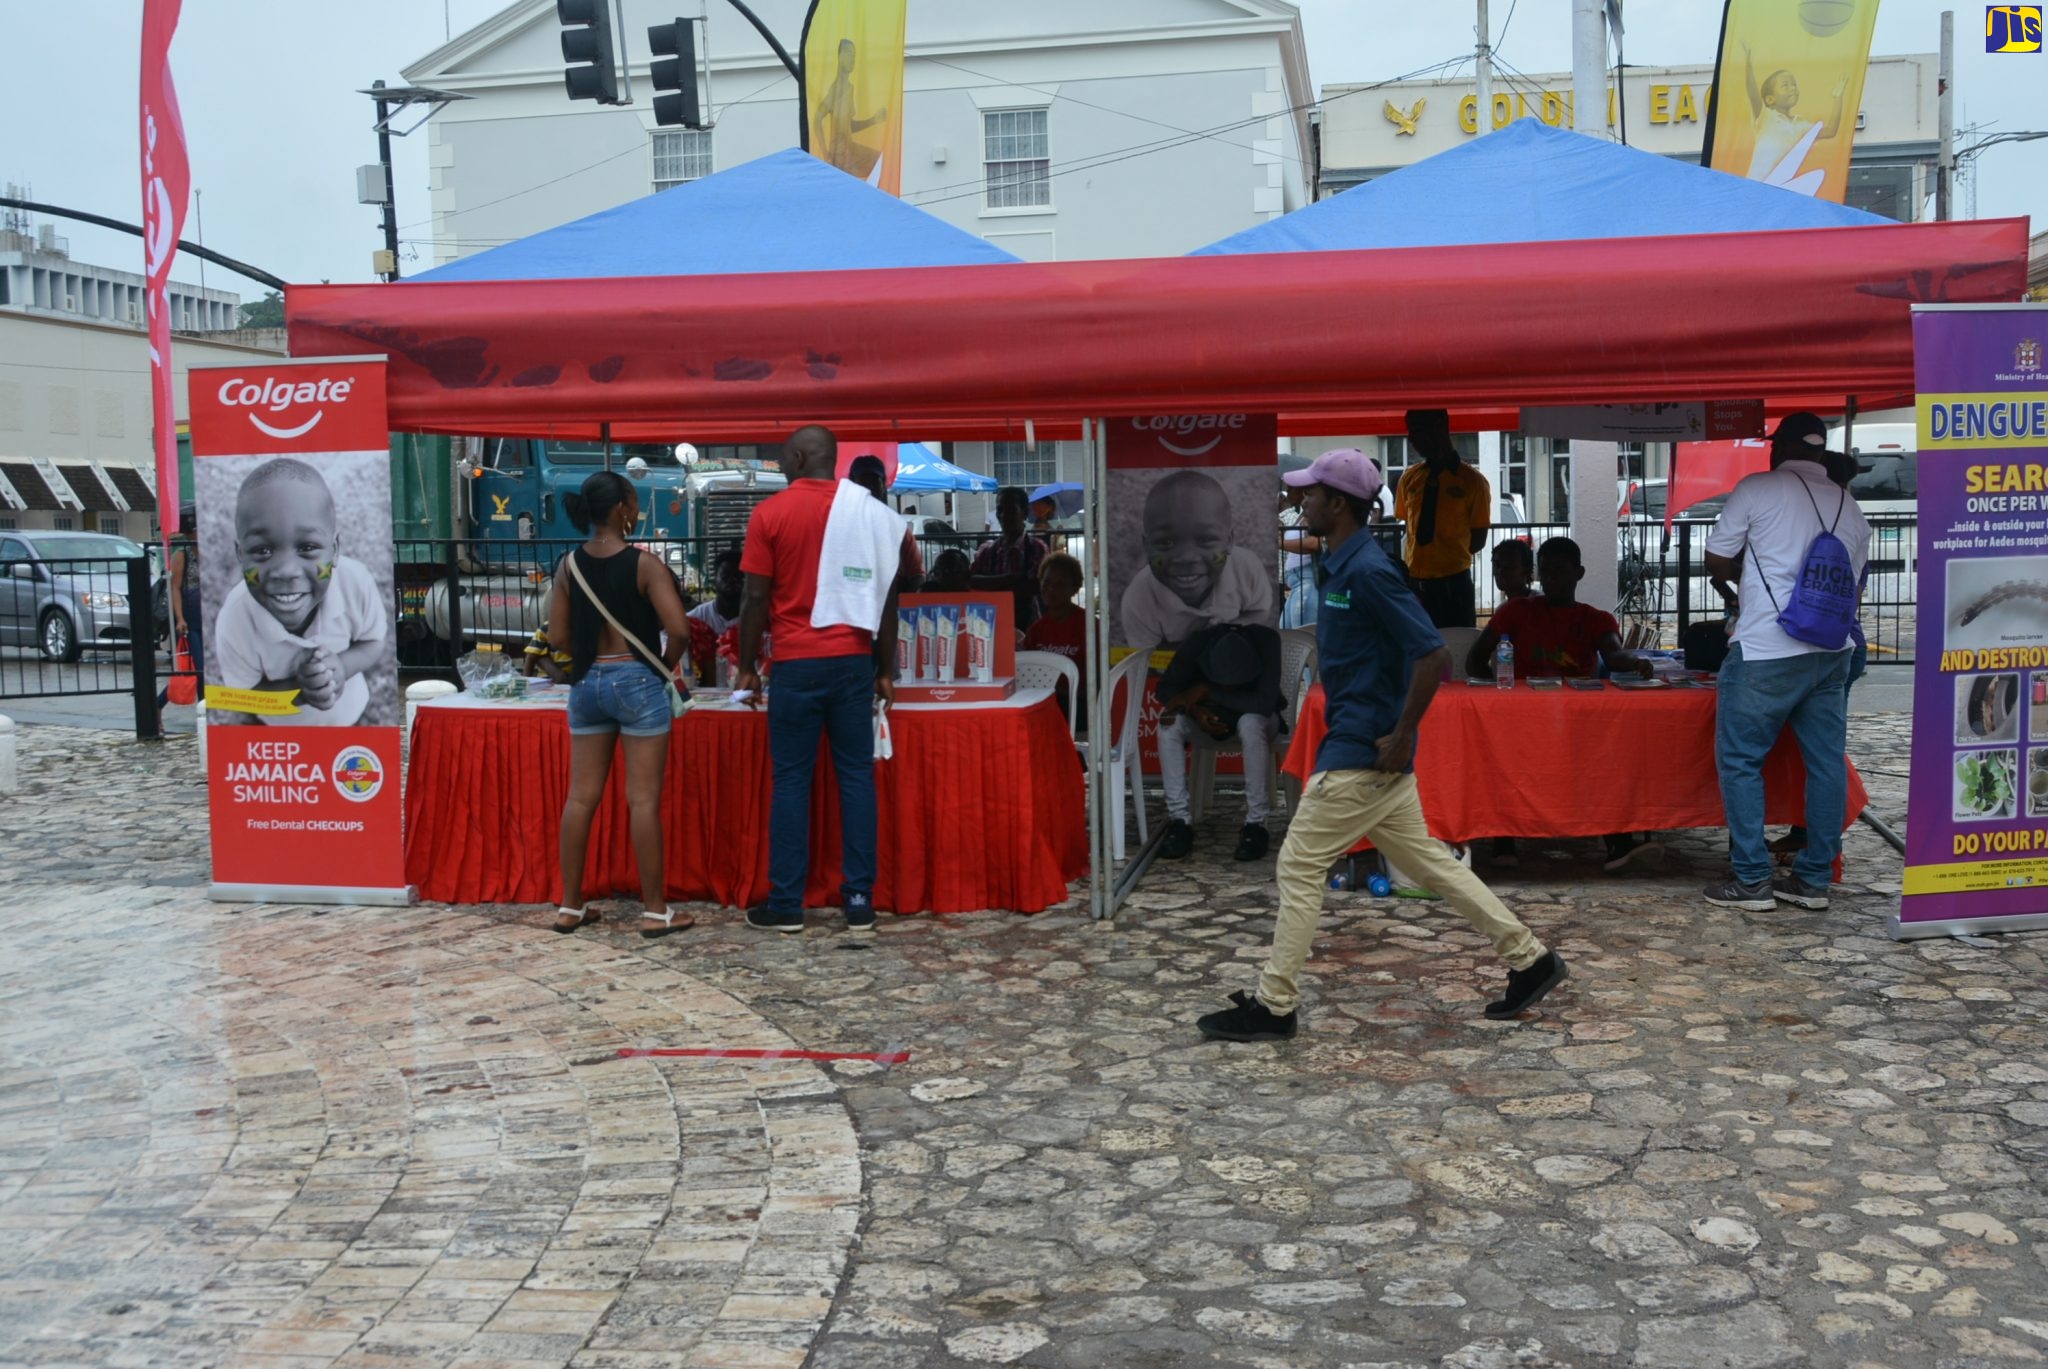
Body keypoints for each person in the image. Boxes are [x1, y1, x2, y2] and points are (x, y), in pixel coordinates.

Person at [1197, 447, 1566, 1043]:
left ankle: (1274, 1006)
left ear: (1338, 505)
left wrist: (1402, 734)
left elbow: (1433, 653)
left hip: (1363, 749)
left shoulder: (1368, 571)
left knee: (1298, 864)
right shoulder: (1342, 562)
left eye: (1310, 493)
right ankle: (1531, 958)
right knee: (1429, 865)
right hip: (1369, 747)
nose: (1300, 501)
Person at [736, 425, 907, 935]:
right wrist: (885, 669)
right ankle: (859, 901)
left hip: (795, 663)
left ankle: (787, 905)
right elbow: (887, 596)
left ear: (795, 457)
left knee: (791, 781)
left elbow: (754, 600)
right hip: (853, 661)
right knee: (855, 777)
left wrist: (748, 664)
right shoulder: (870, 513)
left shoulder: (770, 514)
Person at [1702, 411, 1870, 913]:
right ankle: (1814, 879)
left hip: (1766, 651)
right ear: (1821, 454)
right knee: (1825, 765)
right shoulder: (1849, 504)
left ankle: (1752, 880)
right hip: (1831, 653)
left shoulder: (1758, 487)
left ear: (1779, 448)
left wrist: (1745, 582)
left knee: (1740, 761)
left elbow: (1715, 557)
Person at [544, 470, 694, 939]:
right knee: (643, 799)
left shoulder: (568, 565)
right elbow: (682, 629)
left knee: (581, 797)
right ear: (623, 508)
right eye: (633, 502)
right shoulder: (645, 565)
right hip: (637, 681)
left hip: (587, 684)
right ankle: (654, 911)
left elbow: (558, 638)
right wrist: (660, 667)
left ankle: (570, 905)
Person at [1465, 536, 1663, 873]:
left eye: (1559, 571)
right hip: (1522, 717)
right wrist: (1496, 696)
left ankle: (1618, 845)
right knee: (1499, 754)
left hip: (1576, 720)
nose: (1551, 579)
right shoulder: (1515, 611)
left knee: (1610, 756)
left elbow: (1613, 655)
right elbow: (1475, 659)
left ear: (1579, 573)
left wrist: (1634, 662)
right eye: (1546, 572)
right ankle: (1503, 838)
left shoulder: (1594, 618)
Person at [212, 458, 386, 727]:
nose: (286, 571)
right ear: (239, 554)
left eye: (307, 547)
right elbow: (240, 697)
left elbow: (373, 643)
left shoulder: (355, 582)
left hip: (353, 719)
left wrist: (342, 667)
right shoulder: (236, 617)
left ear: (335, 549)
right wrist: (299, 690)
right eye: (263, 550)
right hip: (280, 739)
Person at [1772, 447, 1871, 863]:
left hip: (1820, 646)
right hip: (1844, 645)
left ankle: (1815, 837)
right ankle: (1808, 835)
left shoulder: (1824, 525)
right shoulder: (1851, 522)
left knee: (1820, 754)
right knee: (1822, 751)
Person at [1155, 623, 1285, 862]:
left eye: (1237, 683)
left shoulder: (1267, 641)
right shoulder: (1197, 643)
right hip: (1205, 716)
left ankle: (1256, 824)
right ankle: (1179, 820)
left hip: (1258, 719)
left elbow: (1265, 703)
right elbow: (1165, 689)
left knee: (1250, 723)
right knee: (1168, 725)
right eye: (1222, 681)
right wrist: (1194, 709)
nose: (1230, 686)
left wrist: (1209, 691)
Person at [1120, 470, 1277, 650]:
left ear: (1229, 541)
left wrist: (1226, 630)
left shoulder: (1246, 568)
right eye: (1166, 542)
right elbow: (1145, 660)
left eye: (1206, 539)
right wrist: (1193, 647)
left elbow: (1260, 611)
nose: (1187, 558)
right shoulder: (1139, 598)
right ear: (1146, 545)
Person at [1394, 409, 1491, 629]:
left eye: (1417, 432)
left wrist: (1445, 558)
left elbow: (1478, 539)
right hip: (1416, 588)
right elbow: (1410, 528)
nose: (1412, 440)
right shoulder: (1410, 478)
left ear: (1440, 428)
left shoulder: (1473, 482)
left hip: (1453, 589)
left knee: (1457, 651)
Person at [1741, 41, 1848, 188]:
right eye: (1785, 86)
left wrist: (1837, 97)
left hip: (1780, 188)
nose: (1792, 88)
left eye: (1794, 85)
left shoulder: (1801, 125)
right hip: (1756, 186)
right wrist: (1748, 63)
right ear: (1770, 99)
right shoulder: (1765, 117)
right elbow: (1753, 94)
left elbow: (1830, 131)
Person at [1021, 551, 1087, 727]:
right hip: (1042, 704)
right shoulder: (1037, 629)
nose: (1050, 589)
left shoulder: (1089, 626)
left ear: (1074, 588)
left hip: (1078, 707)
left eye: (1059, 584)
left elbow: (1095, 683)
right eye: (1047, 582)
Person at [971, 486, 1048, 632]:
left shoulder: (1037, 548)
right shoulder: (988, 551)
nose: (1004, 515)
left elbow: (1037, 587)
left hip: (1028, 629)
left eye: (1011, 510)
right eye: (1000, 510)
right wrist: (1010, 579)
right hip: (993, 626)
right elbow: (971, 581)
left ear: (1025, 513)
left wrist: (992, 585)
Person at [155, 503, 204, 722]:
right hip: (192, 618)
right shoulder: (181, 555)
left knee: (212, 669)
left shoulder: (210, 549)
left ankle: (210, 714)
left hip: (212, 616)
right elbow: (175, 587)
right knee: (198, 668)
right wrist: (180, 618)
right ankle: (157, 705)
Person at [688, 549, 744, 638]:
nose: (731, 581)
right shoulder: (698, 616)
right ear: (714, 580)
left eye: (738, 576)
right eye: (725, 576)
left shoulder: (757, 618)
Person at [1490, 537, 1534, 606]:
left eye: (1509, 565)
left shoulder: (1537, 605)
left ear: (1526, 569)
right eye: (1496, 565)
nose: (1500, 571)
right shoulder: (1503, 608)